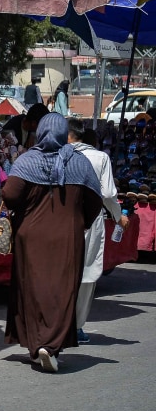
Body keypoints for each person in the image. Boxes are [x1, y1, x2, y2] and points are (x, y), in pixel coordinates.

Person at [2, 113, 102, 373]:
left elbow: (10, 195)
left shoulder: (27, 160)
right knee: (62, 290)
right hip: (67, 238)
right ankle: (50, 346)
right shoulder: (80, 163)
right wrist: (80, 222)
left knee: (31, 289)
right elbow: (94, 202)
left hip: (30, 237)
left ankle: (37, 346)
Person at [67, 119, 129, 343]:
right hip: (90, 221)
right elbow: (109, 194)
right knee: (86, 273)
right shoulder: (100, 158)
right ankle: (76, 326)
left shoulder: (56, 154)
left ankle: (58, 324)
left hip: (59, 220)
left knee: (62, 271)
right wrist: (117, 216)